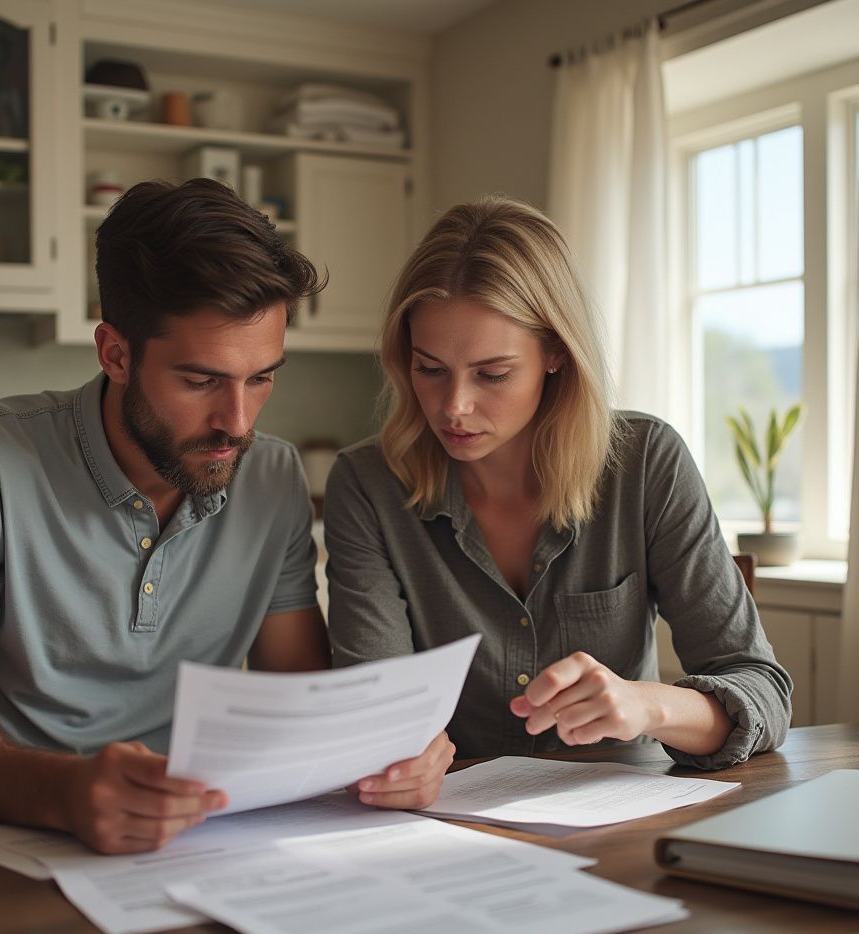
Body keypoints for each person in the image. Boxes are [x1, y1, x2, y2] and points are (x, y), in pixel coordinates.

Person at [0, 179, 442, 854]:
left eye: (261, 377)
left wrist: (386, 751)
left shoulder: (273, 475)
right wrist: (66, 793)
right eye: (201, 381)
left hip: (184, 846)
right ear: (114, 353)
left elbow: (298, 697)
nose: (237, 422)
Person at [324, 195, 792, 781]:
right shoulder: (368, 485)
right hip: (447, 824)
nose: (454, 407)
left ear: (555, 354)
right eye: (429, 368)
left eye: (492, 374)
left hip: (619, 819)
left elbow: (762, 691)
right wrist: (395, 756)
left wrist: (646, 703)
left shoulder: (646, 462)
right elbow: (376, 707)